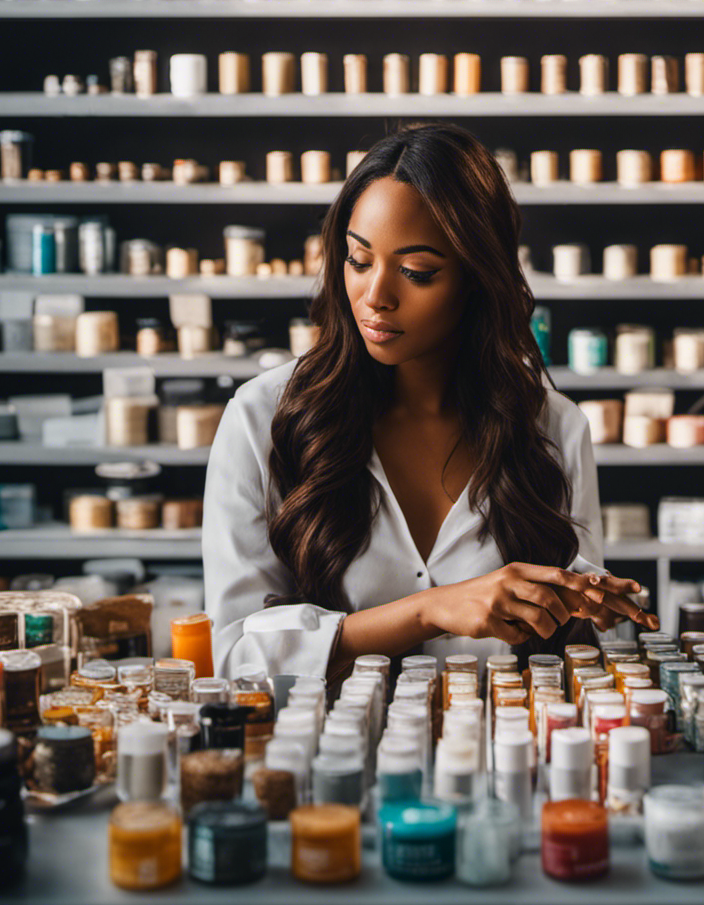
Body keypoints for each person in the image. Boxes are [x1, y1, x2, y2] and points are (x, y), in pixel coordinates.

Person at [203, 123, 657, 684]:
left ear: (477, 277)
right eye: (358, 260)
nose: (376, 297)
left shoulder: (553, 428)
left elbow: (565, 655)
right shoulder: (263, 418)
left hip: (499, 756)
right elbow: (231, 656)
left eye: (416, 272)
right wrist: (429, 610)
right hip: (323, 759)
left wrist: (578, 604)